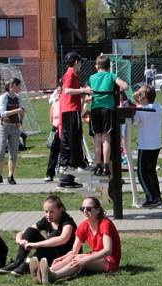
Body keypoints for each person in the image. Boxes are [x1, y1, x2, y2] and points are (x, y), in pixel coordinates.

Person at [32, 196, 120, 284]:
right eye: (82, 208)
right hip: (95, 255)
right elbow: (74, 251)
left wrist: (85, 259)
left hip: (109, 260)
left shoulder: (105, 224)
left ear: (98, 210)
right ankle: (45, 272)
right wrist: (62, 258)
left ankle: (53, 276)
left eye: (88, 208)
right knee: (74, 257)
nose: (85, 211)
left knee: (79, 259)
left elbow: (108, 251)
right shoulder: (83, 225)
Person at [0, 195, 77, 276]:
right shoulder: (47, 219)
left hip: (64, 256)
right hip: (49, 251)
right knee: (30, 231)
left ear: (60, 210)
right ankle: (18, 261)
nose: (48, 215)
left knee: (54, 235)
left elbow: (63, 239)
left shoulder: (67, 222)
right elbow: (24, 232)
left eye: (51, 212)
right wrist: (20, 240)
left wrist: (36, 245)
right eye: (46, 211)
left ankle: (27, 264)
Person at [89, 54, 128, 177]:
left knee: (97, 139)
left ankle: (97, 165)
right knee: (106, 139)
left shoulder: (92, 77)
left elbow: (88, 91)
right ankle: (106, 165)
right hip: (108, 109)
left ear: (97, 66)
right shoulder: (112, 76)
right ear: (109, 66)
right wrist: (116, 91)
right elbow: (125, 86)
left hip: (95, 108)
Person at [57, 52, 93, 189]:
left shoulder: (73, 75)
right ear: (76, 61)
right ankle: (73, 165)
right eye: (80, 62)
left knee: (74, 139)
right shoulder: (70, 74)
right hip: (70, 111)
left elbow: (74, 93)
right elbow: (67, 91)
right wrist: (83, 89)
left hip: (72, 109)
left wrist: (85, 93)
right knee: (73, 140)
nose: (81, 64)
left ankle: (69, 176)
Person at [133, 85, 162, 208]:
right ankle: (157, 197)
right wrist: (140, 100)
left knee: (142, 173)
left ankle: (151, 198)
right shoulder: (159, 107)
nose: (138, 97)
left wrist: (136, 103)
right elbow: (151, 103)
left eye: (140, 96)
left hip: (145, 145)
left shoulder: (141, 110)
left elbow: (135, 123)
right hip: (156, 144)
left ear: (144, 98)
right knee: (151, 173)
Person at [0, 78, 24, 185]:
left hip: (15, 127)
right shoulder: (4, 97)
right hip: (3, 126)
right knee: (0, 152)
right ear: (13, 85)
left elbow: (22, 111)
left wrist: (20, 121)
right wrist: (17, 110)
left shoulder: (18, 98)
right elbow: (3, 113)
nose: (20, 88)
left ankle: (10, 176)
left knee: (13, 153)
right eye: (18, 86)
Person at [44, 86, 64, 182]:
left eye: (61, 92)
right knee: (53, 152)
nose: (60, 94)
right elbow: (51, 117)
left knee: (65, 152)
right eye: (59, 92)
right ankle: (50, 174)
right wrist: (54, 127)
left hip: (64, 130)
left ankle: (64, 173)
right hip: (55, 129)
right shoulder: (55, 104)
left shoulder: (66, 103)